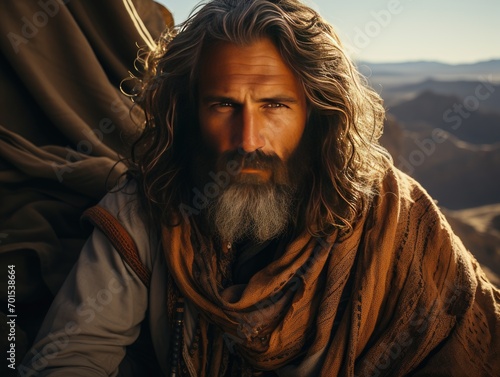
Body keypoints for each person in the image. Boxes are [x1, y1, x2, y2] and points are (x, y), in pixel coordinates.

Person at [19, 0, 500, 376]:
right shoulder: (148, 208)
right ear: (189, 113)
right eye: (224, 105)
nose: (247, 140)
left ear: (316, 115)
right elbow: (68, 358)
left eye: (274, 106)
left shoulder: (396, 221)